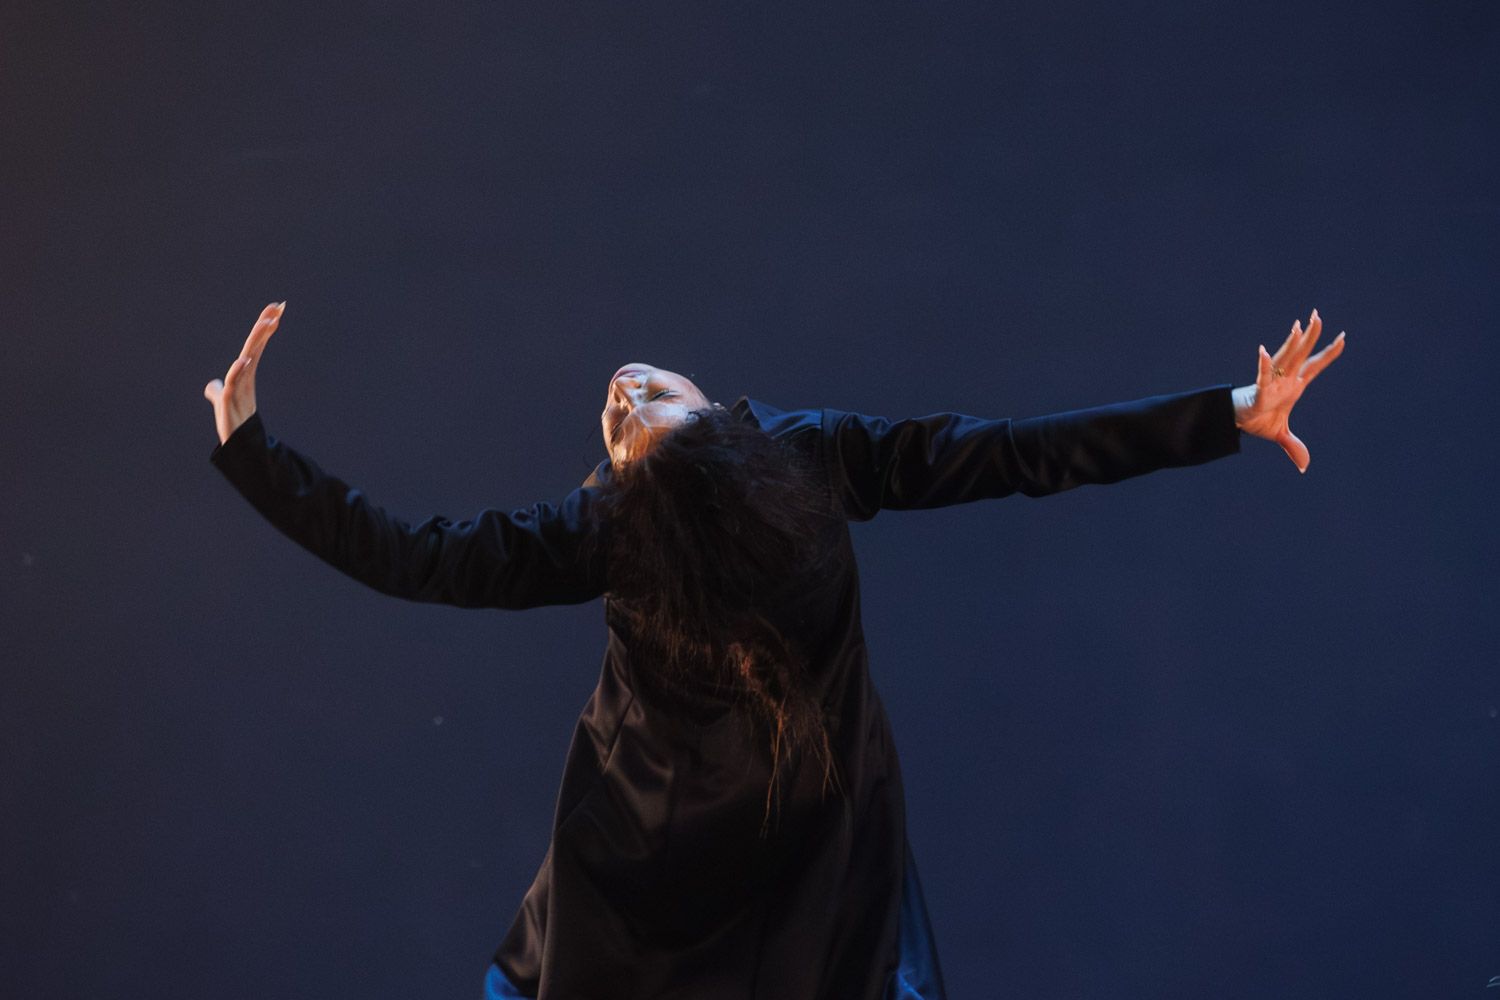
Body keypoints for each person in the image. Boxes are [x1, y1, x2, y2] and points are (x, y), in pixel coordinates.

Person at [203, 303, 1346, 999]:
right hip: (723, 861)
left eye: (628, 412)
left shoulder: (646, 511)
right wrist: (1226, 410)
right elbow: (1009, 454)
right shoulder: (762, 469)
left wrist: (254, 453)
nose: (619, 393)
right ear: (712, 421)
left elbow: (417, 557)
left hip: (744, 852)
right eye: (632, 412)